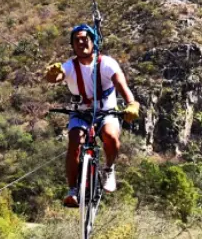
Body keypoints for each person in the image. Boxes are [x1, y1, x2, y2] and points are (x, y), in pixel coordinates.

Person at [45, 24, 140, 207]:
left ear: (93, 41)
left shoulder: (106, 63)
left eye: (84, 38)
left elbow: (120, 83)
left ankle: (109, 168)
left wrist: (131, 103)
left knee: (110, 136)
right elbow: (56, 77)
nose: (81, 43)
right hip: (80, 113)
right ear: (72, 45)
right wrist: (51, 74)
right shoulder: (70, 66)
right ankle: (73, 190)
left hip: (106, 112)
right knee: (74, 141)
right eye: (76, 40)